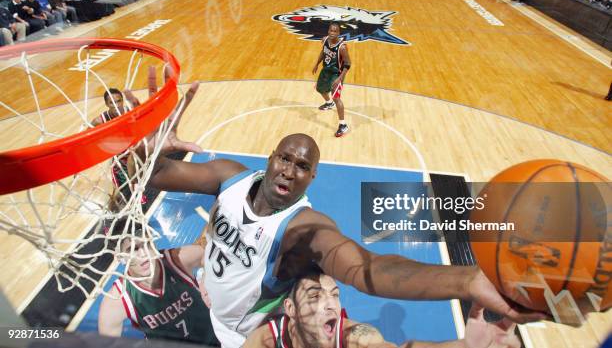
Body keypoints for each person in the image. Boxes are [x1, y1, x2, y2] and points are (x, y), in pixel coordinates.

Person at [136, 67, 546, 348]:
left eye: (303, 167)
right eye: (285, 159)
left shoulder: (306, 227)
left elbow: (368, 270)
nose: (290, 171)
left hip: (250, 334)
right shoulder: (229, 176)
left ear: (311, 178)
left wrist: (467, 282)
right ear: (270, 157)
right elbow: (153, 176)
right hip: (209, 302)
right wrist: (148, 146)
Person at [244, 267, 521, 348]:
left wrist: (465, 347)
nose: (330, 304)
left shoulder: (355, 338)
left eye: (335, 295)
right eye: (315, 296)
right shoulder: (267, 339)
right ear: (291, 309)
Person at [98, 219, 220, 346]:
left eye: (146, 244)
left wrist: (207, 274)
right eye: (133, 249)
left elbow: (213, 253)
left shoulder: (177, 260)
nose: (143, 254)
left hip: (216, 341)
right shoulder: (117, 300)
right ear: (120, 257)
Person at [312, 22, 351, 137]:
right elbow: (323, 52)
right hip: (326, 71)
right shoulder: (325, 40)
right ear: (328, 31)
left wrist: (340, 79)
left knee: (336, 98)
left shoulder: (342, 47)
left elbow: (348, 64)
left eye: (335, 31)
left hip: (336, 74)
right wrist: (317, 63)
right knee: (320, 89)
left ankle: (343, 125)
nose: (332, 33)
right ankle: (329, 103)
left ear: (339, 33)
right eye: (331, 30)